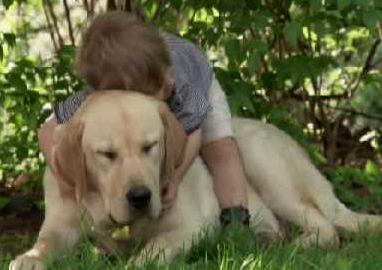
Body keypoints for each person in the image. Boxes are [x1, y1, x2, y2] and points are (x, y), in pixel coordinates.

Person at [38, 11, 250, 227]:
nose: (167, 84)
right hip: (159, 65)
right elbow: (46, 132)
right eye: (152, 91)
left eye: (164, 78)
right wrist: (68, 179)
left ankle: (237, 217)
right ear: (109, 91)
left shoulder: (180, 86)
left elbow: (193, 134)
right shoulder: (95, 95)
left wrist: (174, 178)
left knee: (221, 148)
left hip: (198, 77)